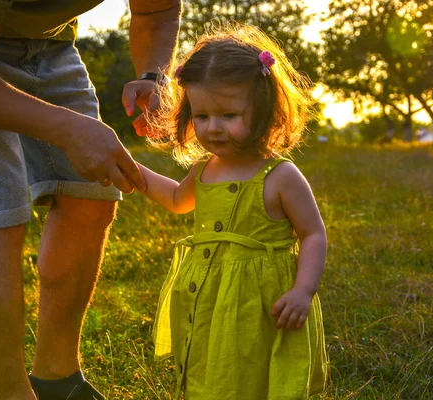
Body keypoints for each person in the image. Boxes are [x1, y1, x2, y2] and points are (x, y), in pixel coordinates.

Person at [0, 0, 181, 399]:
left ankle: (58, 380)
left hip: (52, 46)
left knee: (92, 193)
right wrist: (67, 130)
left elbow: (157, 10)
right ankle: (12, 394)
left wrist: (153, 74)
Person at [136, 24, 327, 399]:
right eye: (202, 116)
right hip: (211, 292)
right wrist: (135, 173)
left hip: (261, 298)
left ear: (265, 108)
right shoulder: (206, 169)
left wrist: (303, 290)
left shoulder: (280, 175)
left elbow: (313, 234)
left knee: (254, 366)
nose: (213, 128)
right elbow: (177, 199)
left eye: (228, 115)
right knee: (213, 363)